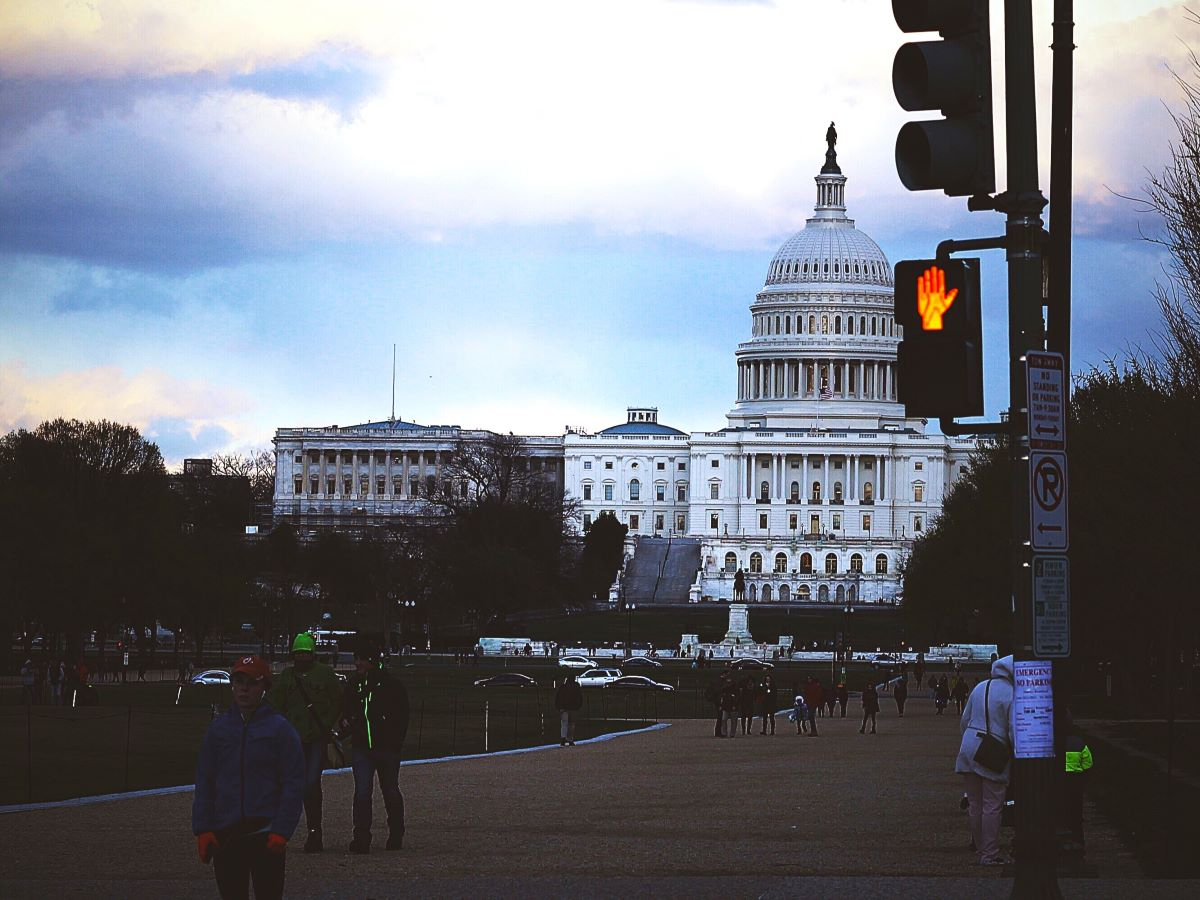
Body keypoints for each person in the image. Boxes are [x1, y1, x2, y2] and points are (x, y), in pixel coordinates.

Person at [192, 655, 305, 900]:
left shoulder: (280, 730)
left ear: (264, 687)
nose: (244, 688)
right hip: (226, 834)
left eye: (251, 683)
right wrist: (203, 828)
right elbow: (205, 780)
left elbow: (293, 783)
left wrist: (282, 830)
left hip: (265, 834)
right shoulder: (219, 729)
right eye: (239, 681)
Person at [267, 632, 342, 852]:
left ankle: (314, 831)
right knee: (290, 785)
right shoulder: (287, 677)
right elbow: (274, 704)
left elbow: (337, 701)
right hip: (293, 739)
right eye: (297, 654)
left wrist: (326, 724)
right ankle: (280, 830)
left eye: (304, 654)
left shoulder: (325, 674)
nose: (300, 658)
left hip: (316, 737)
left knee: (310, 784)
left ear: (312, 654)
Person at [340, 638, 410, 853]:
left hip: (387, 747)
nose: (356, 664)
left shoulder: (391, 685)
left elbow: (402, 715)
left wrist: (395, 741)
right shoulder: (354, 684)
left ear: (369, 660)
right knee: (362, 792)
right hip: (362, 747)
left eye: (359, 660)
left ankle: (396, 832)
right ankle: (361, 837)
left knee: (390, 790)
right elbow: (347, 709)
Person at [956, 654, 1015, 866]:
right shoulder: (1012, 693)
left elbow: (965, 720)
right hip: (992, 750)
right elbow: (1013, 729)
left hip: (969, 745)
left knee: (975, 804)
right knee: (992, 805)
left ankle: (981, 848)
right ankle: (989, 854)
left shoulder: (980, 687)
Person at [1060, 710, 1094, 853]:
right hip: (1075, 780)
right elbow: (1088, 763)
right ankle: (1079, 841)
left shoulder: (1053, 741)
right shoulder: (1079, 742)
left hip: (1060, 781)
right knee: (1076, 813)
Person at [555, 670, 583, 746]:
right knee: (571, 724)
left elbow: (559, 698)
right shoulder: (576, 686)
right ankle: (570, 739)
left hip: (564, 708)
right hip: (573, 708)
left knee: (564, 724)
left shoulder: (563, 687)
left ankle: (563, 738)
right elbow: (579, 697)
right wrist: (578, 706)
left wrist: (559, 707)